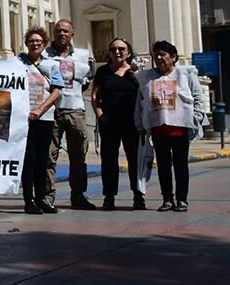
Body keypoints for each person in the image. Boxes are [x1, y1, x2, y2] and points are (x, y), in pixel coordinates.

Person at [135, 41, 204, 212]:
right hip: (158, 129)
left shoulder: (186, 75)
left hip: (180, 129)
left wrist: (195, 118)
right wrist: (140, 124)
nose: (158, 58)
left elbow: (198, 99)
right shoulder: (147, 78)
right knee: (163, 166)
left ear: (173, 57)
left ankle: (182, 199)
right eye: (156, 55)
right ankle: (167, 199)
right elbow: (140, 103)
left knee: (181, 165)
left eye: (163, 54)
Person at [45, 19, 96, 210]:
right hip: (51, 112)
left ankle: (78, 195)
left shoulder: (82, 56)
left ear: (72, 34)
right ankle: (48, 196)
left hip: (75, 110)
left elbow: (85, 82)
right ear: (54, 34)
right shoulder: (44, 55)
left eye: (66, 31)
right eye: (58, 31)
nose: (62, 34)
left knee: (78, 157)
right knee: (49, 157)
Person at [91, 38, 143, 210]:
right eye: (113, 49)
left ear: (129, 52)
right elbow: (94, 97)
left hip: (132, 123)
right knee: (109, 161)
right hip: (109, 122)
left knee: (135, 160)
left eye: (122, 49)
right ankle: (109, 196)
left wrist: (136, 77)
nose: (117, 52)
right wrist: (100, 116)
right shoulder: (103, 71)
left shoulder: (135, 72)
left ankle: (138, 195)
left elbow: (144, 96)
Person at [18, 27, 64, 215]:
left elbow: (56, 91)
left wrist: (40, 109)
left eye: (38, 41)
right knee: (28, 159)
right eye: (31, 41)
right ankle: (28, 200)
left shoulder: (52, 64)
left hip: (44, 118)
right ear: (26, 43)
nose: (35, 43)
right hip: (23, 118)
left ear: (44, 44)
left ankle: (41, 198)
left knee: (42, 160)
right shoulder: (17, 62)